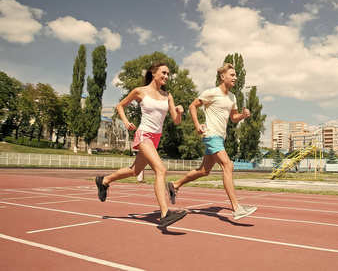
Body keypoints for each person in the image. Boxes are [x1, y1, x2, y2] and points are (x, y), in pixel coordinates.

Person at [95, 62, 187, 228]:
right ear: (153, 73)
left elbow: (176, 121)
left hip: (156, 138)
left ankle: (104, 180)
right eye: (163, 73)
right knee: (161, 170)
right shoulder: (140, 91)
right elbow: (120, 106)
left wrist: (179, 113)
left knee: (134, 171)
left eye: (168, 74)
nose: (166, 76)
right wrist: (125, 121)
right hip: (144, 134)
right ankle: (165, 213)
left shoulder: (168, 95)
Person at [166, 63, 257, 220]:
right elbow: (192, 106)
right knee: (228, 166)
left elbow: (233, 118)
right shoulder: (211, 93)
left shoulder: (232, 97)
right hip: (211, 135)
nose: (236, 77)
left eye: (236, 75)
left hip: (220, 137)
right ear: (223, 77)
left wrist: (242, 116)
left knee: (204, 171)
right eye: (232, 75)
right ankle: (237, 208)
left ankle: (174, 186)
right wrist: (197, 125)